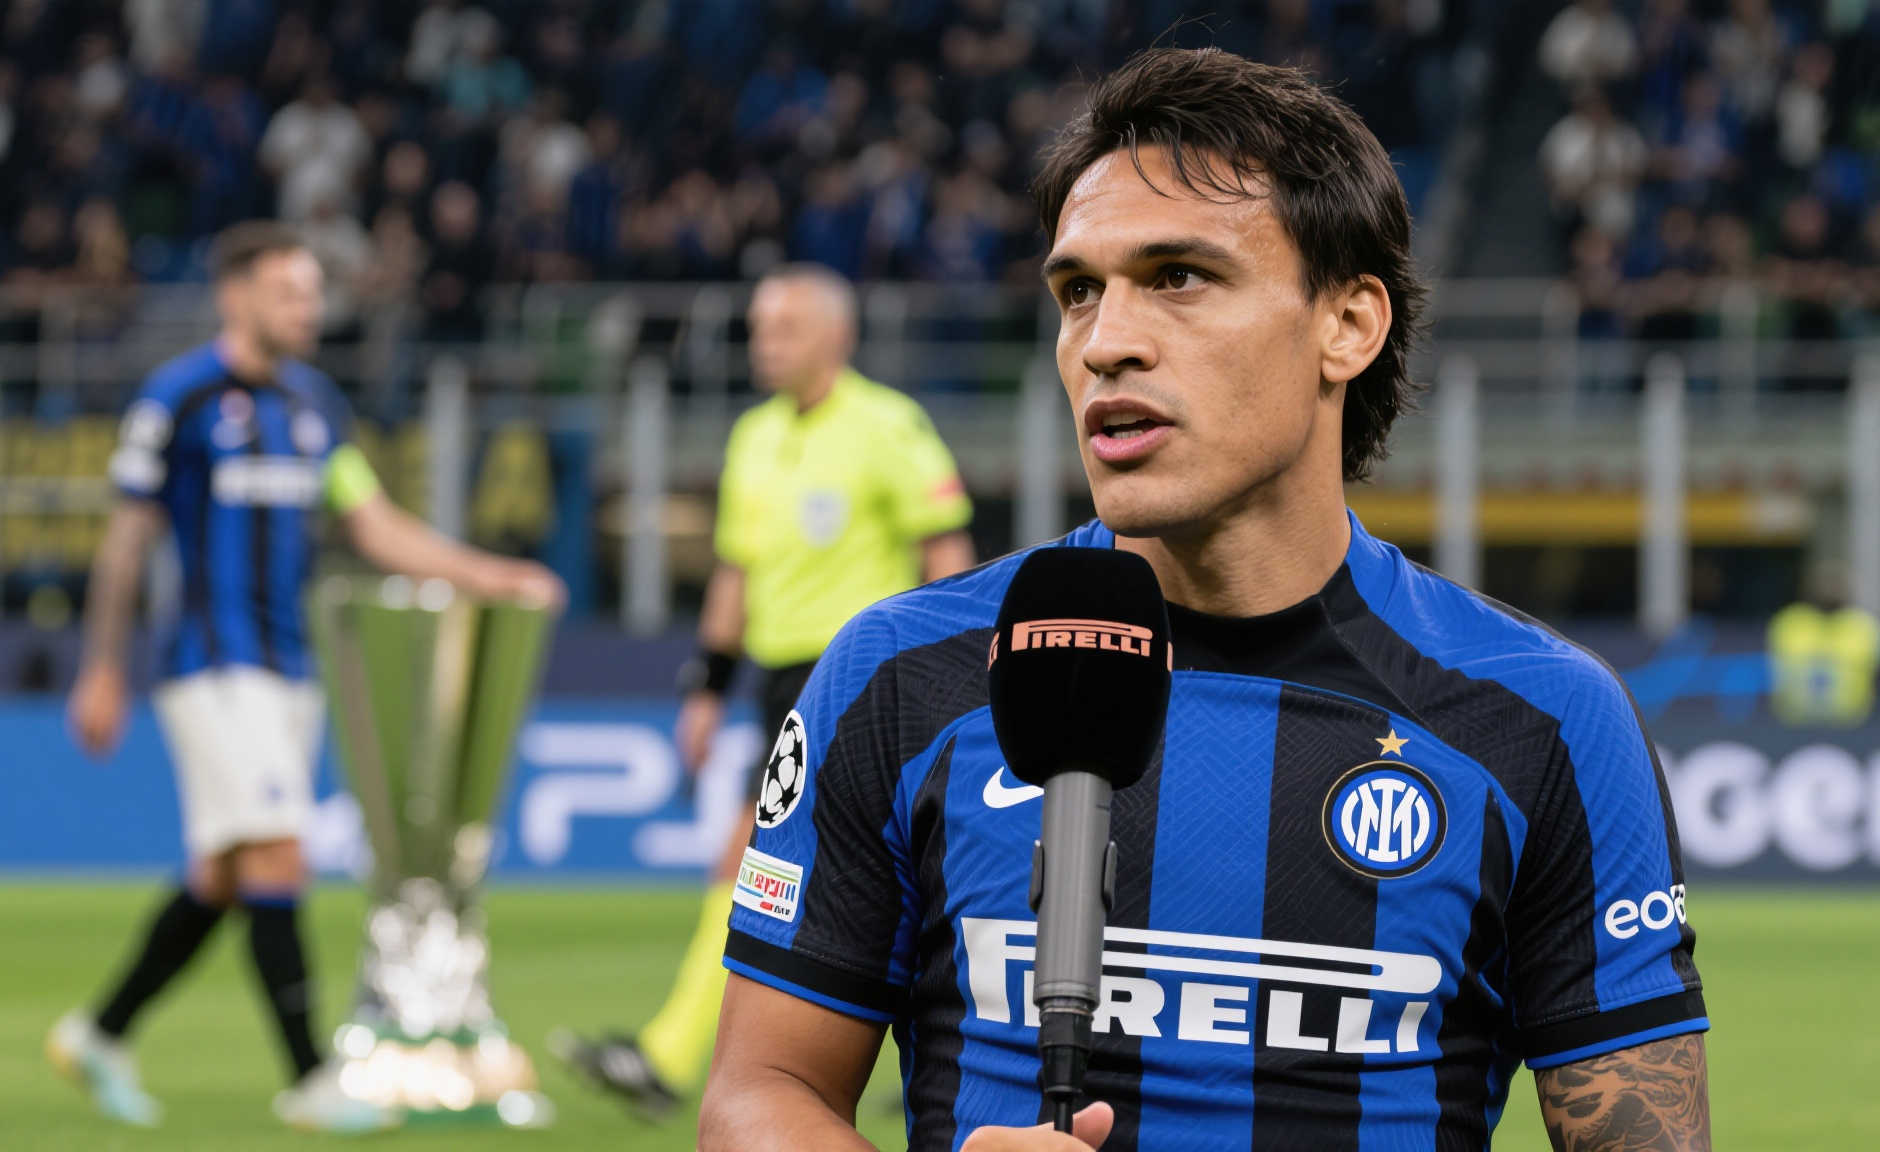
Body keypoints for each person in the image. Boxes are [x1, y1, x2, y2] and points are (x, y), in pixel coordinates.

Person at [700, 49, 1710, 1152]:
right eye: (1077, 292)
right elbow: (757, 1097)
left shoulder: (1543, 718)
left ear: (1347, 325)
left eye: (1179, 277)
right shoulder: (899, 676)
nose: (1105, 342)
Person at [46, 221, 562, 1134]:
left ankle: (101, 1033)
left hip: (290, 666)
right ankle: (312, 1078)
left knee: (224, 875)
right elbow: (126, 541)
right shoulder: (179, 397)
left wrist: (489, 575)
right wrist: (101, 669)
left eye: (313, 293)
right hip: (212, 664)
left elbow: (373, 524)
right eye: (289, 292)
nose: (309, 309)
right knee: (279, 853)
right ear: (234, 295)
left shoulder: (315, 404)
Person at [555, 264, 976, 1116]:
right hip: (781, 685)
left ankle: (670, 1057)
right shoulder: (753, 435)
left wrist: (952, 678)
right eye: (758, 327)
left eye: (783, 328)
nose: (763, 343)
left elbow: (946, 552)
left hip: (861, 678)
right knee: (835, 870)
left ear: (835, 336)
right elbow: (735, 573)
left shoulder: (887, 427)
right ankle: (927, 1055)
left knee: (761, 859)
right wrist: (707, 690)